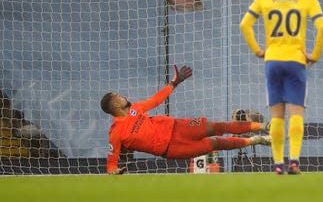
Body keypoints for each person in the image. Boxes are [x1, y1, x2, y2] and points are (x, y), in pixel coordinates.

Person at [240, 0, 323, 175]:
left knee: (276, 116)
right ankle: (295, 161)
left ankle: (278, 164)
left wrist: (258, 50)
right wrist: (314, 55)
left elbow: (245, 24)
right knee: (296, 114)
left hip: (273, 60)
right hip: (296, 60)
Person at [100, 64, 270, 175]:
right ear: (114, 105)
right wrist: (114, 170)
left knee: (217, 126)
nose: (122, 96)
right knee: (215, 144)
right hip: (172, 148)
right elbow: (111, 161)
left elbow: (156, 100)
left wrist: (175, 82)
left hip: (178, 127)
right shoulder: (116, 133)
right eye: (118, 96)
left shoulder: (135, 109)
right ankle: (256, 140)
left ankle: (263, 126)